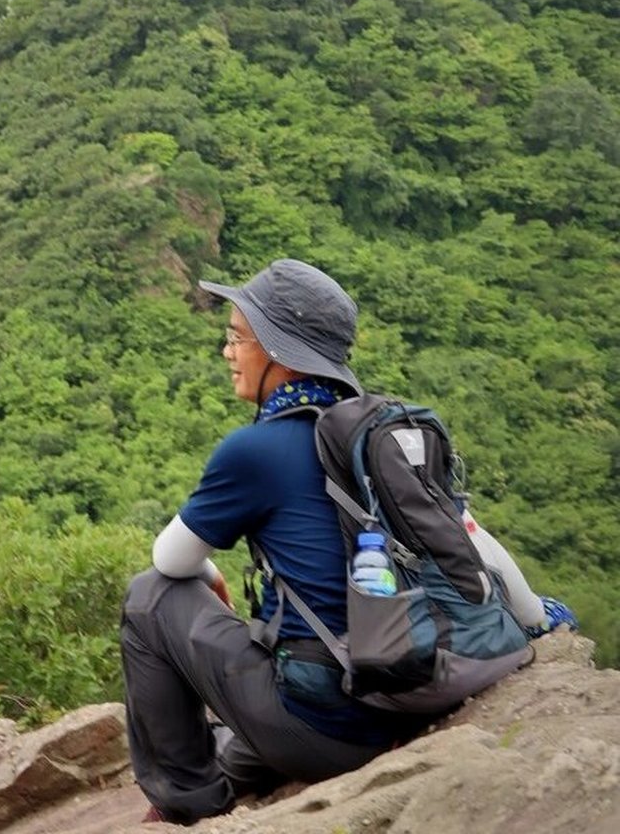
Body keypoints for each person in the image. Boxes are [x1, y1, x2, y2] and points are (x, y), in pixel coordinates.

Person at [120, 258, 577, 826]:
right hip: (408, 696)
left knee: (149, 597)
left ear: (278, 352)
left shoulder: (252, 452)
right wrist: (539, 619)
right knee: (280, 680)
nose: (227, 353)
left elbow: (169, 562)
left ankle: (188, 803)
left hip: (324, 729)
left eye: (237, 338)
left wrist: (210, 576)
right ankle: (242, 761)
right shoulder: (380, 437)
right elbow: (473, 540)